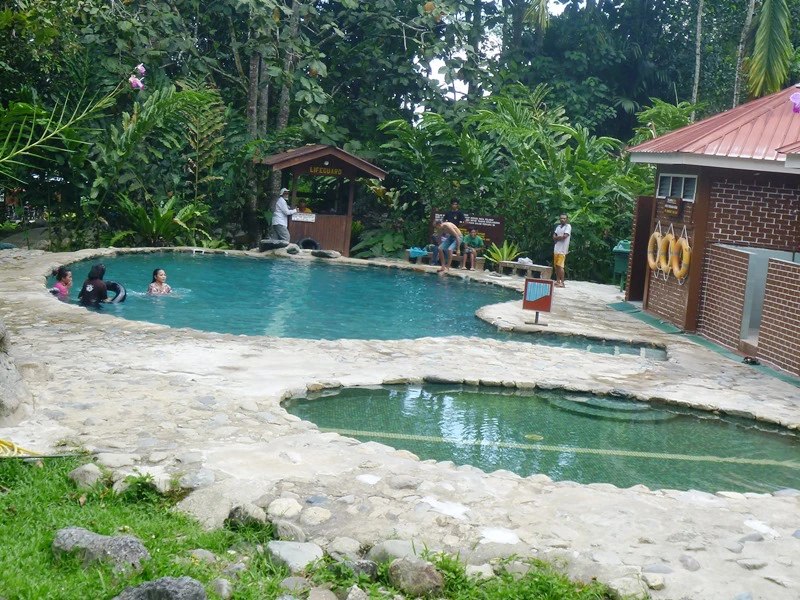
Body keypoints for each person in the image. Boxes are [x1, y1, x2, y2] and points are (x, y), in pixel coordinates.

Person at [553, 213, 572, 288]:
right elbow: (554, 236)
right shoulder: (558, 227)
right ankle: (558, 281)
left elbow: (565, 236)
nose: (562, 219)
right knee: (556, 266)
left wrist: (557, 237)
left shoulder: (568, 226)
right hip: (556, 249)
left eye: (564, 218)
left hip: (563, 250)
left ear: (566, 219)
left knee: (561, 266)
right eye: (561, 218)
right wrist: (558, 237)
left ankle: (562, 282)